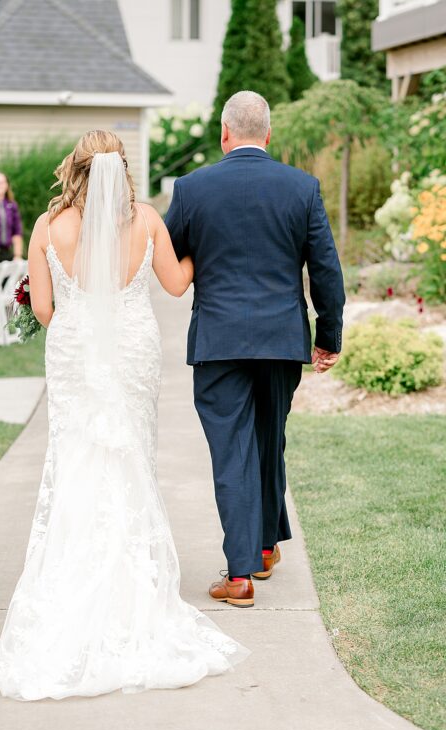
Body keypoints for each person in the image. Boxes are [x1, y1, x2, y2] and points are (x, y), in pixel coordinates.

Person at [0, 130, 248, 701]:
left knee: (79, 456)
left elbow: (43, 308)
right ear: (122, 168)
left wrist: (85, 335)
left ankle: (74, 577)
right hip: (133, 350)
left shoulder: (47, 226)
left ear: (76, 168)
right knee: (132, 457)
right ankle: (135, 587)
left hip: (76, 353)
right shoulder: (147, 220)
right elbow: (178, 285)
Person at [164, 91, 345, 604]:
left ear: (225, 133)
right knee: (268, 440)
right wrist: (327, 337)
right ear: (267, 135)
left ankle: (241, 573)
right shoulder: (301, 187)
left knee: (234, 451)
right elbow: (326, 270)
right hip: (282, 339)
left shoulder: (192, 188)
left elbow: (172, 257)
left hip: (220, 340)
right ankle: (262, 549)